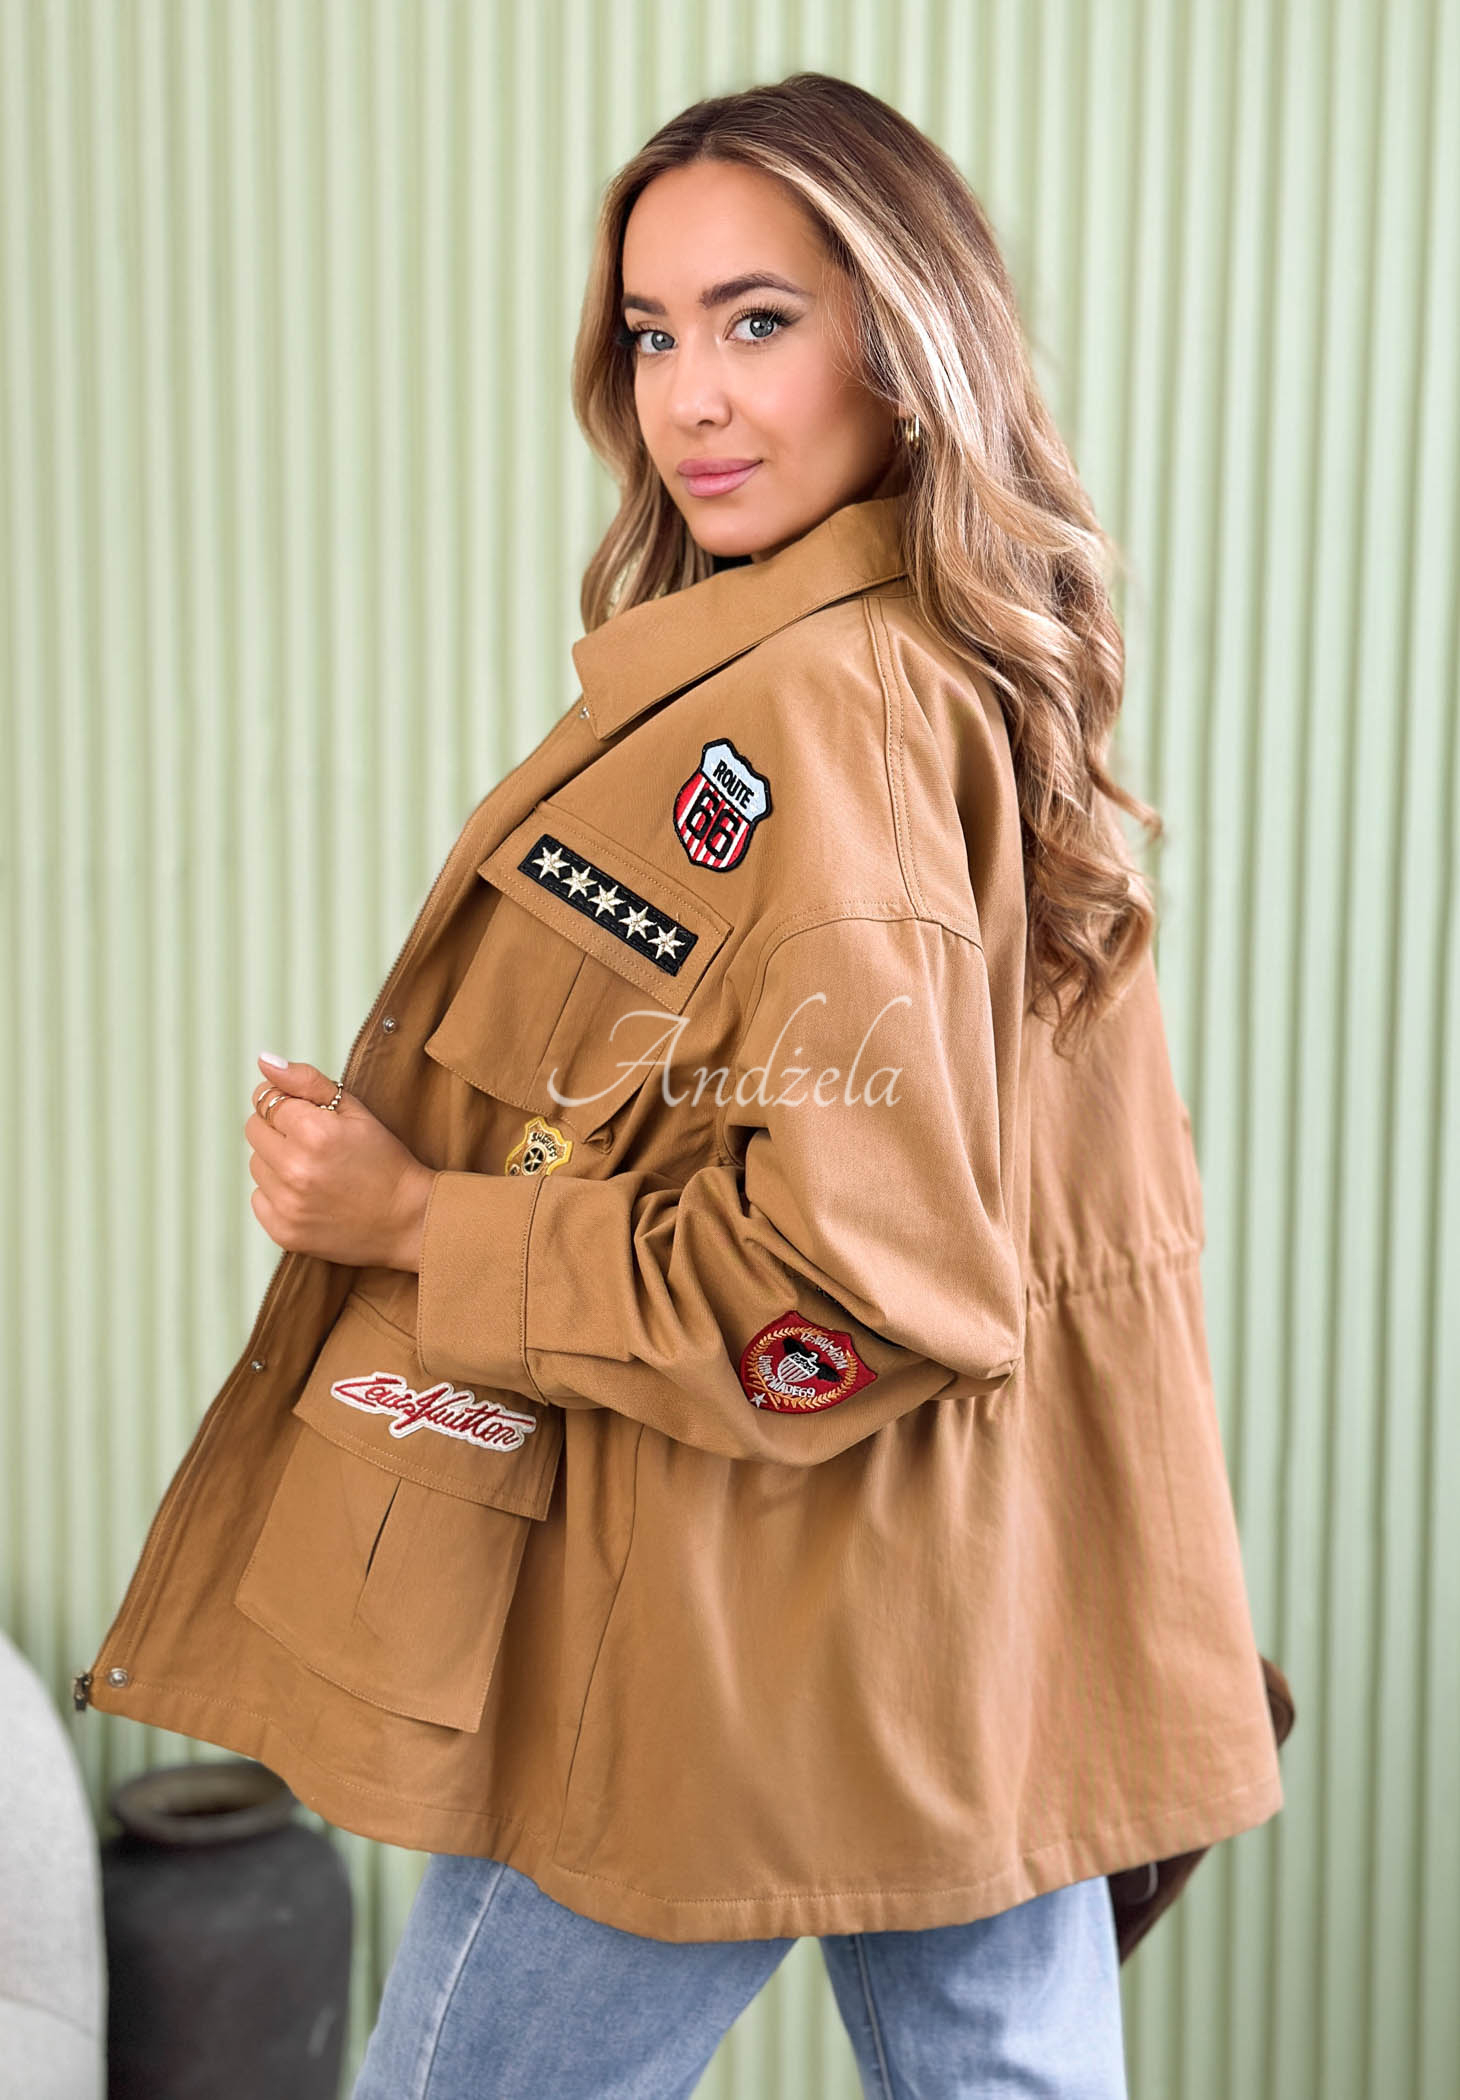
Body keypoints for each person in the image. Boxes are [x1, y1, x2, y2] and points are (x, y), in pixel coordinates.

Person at [77, 72, 1288, 2100]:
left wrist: (417, 1223)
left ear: (905, 347)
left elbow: (859, 1287)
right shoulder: (948, 658)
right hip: (972, 1616)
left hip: (730, 1618)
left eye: (758, 321)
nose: (690, 399)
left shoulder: (827, 711)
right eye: (652, 334)